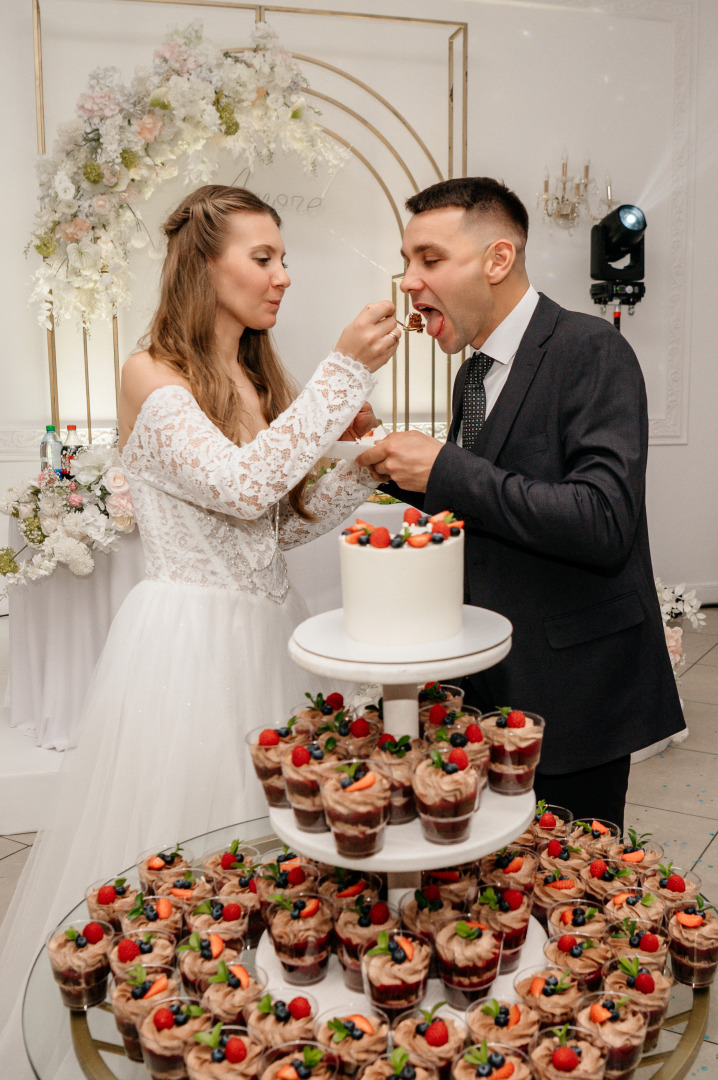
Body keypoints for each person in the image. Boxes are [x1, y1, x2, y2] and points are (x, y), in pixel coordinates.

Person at [0, 184, 400, 1071]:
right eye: (264, 258)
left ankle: (261, 1029)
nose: (284, 277)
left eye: (284, 258)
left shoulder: (254, 379)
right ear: (203, 265)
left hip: (264, 633)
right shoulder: (153, 373)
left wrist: (361, 467)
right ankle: (169, 1032)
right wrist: (342, 376)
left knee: (276, 857)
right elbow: (241, 486)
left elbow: (277, 524)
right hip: (184, 648)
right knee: (186, 863)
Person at [360, 176, 684, 829]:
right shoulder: (473, 375)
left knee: (573, 897)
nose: (408, 281)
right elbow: (482, 500)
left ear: (497, 260)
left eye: (428, 258)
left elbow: (602, 521)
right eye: (405, 262)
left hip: (572, 692)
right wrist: (385, 459)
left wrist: (445, 466)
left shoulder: (591, 350)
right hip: (488, 680)